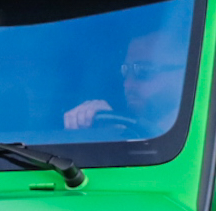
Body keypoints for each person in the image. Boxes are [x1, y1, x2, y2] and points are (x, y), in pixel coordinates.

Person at [61, 27, 189, 139]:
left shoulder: (203, 141)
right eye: (125, 71)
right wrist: (113, 134)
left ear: (182, 73)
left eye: (143, 70)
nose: (127, 84)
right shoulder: (122, 134)